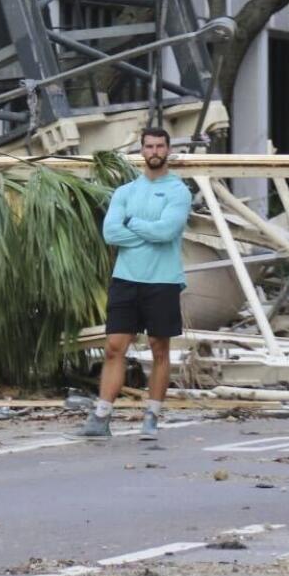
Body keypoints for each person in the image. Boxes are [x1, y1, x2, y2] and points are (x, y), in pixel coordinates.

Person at [83, 126, 190, 443]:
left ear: (167, 150)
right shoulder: (125, 192)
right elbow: (110, 234)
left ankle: (152, 415)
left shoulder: (179, 191)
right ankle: (102, 414)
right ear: (141, 151)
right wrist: (147, 230)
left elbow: (166, 233)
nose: (154, 151)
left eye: (160, 146)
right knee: (115, 347)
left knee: (159, 349)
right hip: (126, 279)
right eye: (149, 146)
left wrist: (133, 223)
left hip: (163, 281)